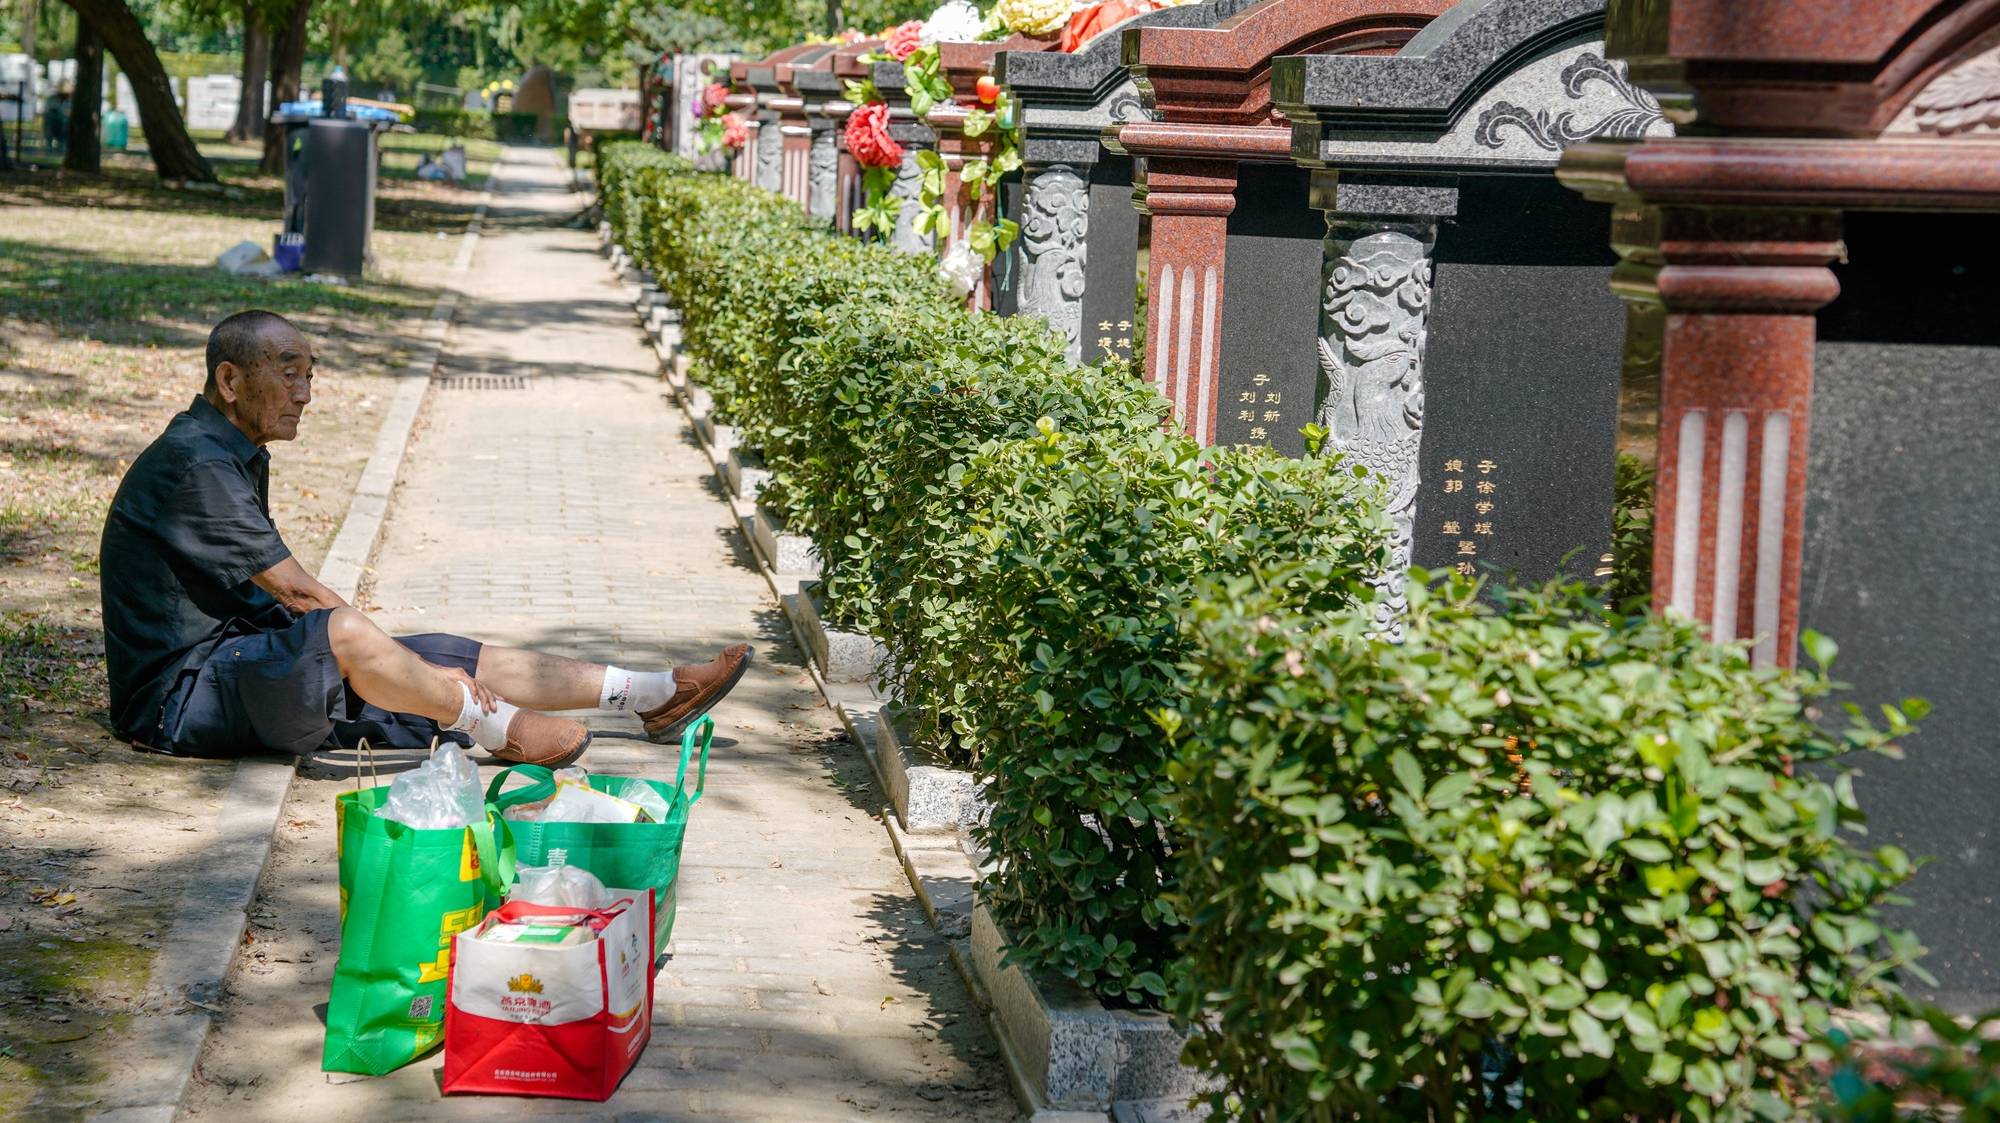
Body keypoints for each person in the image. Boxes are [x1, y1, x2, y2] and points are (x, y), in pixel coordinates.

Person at [99, 310, 752, 765]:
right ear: (230, 381)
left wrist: (416, 663)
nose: (305, 394)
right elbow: (295, 591)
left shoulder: (233, 449)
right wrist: (393, 658)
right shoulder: (196, 464)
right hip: (181, 701)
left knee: (440, 649)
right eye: (288, 372)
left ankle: (651, 692)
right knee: (349, 633)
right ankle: (492, 725)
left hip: (238, 662)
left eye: (311, 375)